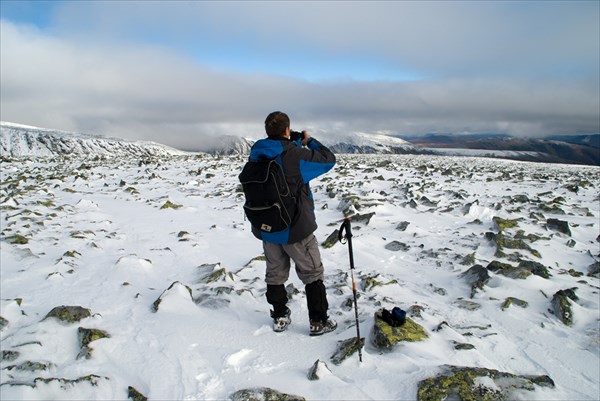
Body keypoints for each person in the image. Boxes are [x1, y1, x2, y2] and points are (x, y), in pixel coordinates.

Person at [247, 111, 337, 336]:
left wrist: (291, 142)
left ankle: (279, 316)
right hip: (295, 228)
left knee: (275, 273)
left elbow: (280, 152)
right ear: (287, 130)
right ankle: (318, 321)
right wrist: (309, 141)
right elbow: (328, 159)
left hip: (266, 227)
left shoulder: (257, 153)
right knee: (312, 273)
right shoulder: (295, 157)